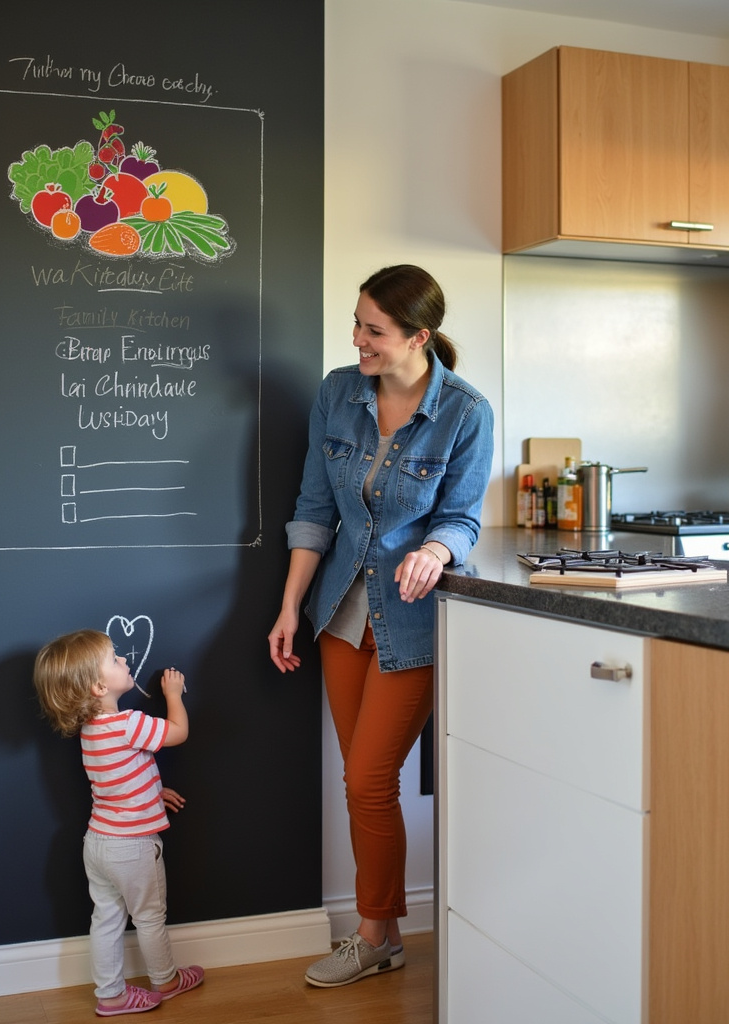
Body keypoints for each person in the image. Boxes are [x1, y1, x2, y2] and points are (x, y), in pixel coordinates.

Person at [268, 264, 494, 988]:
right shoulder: (338, 392)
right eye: (357, 323)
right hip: (340, 613)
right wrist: (289, 606)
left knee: (368, 779)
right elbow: (314, 508)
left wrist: (435, 551)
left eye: (374, 330)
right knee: (363, 784)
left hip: (411, 618)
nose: (358, 340)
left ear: (418, 337)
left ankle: (371, 935)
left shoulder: (465, 412)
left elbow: (461, 517)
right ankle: (386, 933)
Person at [33, 629, 204, 1017]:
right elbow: (178, 733)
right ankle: (166, 980)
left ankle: (110, 995)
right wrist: (173, 695)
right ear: (98, 687)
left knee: (106, 920)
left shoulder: (91, 730)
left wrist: (153, 792)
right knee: (149, 916)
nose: (125, 660)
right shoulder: (128, 723)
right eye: (114, 659)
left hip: (99, 842)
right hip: (133, 846)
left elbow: (117, 779)